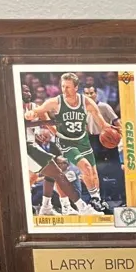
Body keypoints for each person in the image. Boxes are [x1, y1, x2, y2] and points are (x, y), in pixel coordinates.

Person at [25, 72, 119, 214]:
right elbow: (40, 110)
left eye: (68, 87)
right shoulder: (56, 101)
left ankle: (96, 199)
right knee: (85, 167)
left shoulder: (86, 102)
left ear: (76, 87)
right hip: (66, 141)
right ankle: (78, 206)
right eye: (63, 86)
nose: (65, 90)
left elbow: (100, 119)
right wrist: (31, 113)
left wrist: (107, 127)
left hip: (82, 140)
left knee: (93, 172)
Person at [21, 83, 97, 216]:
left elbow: (43, 124)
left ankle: (46, 207)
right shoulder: (14, 108)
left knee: (51, 173)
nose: (28, 93)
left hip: (32, 144)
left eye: (28, 91)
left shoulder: (34, 107)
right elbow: (22, 123)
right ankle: (82, 207)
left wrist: (52, 134)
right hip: (23, 146)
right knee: (57, 173)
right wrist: (50, 122)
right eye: (24, 91)